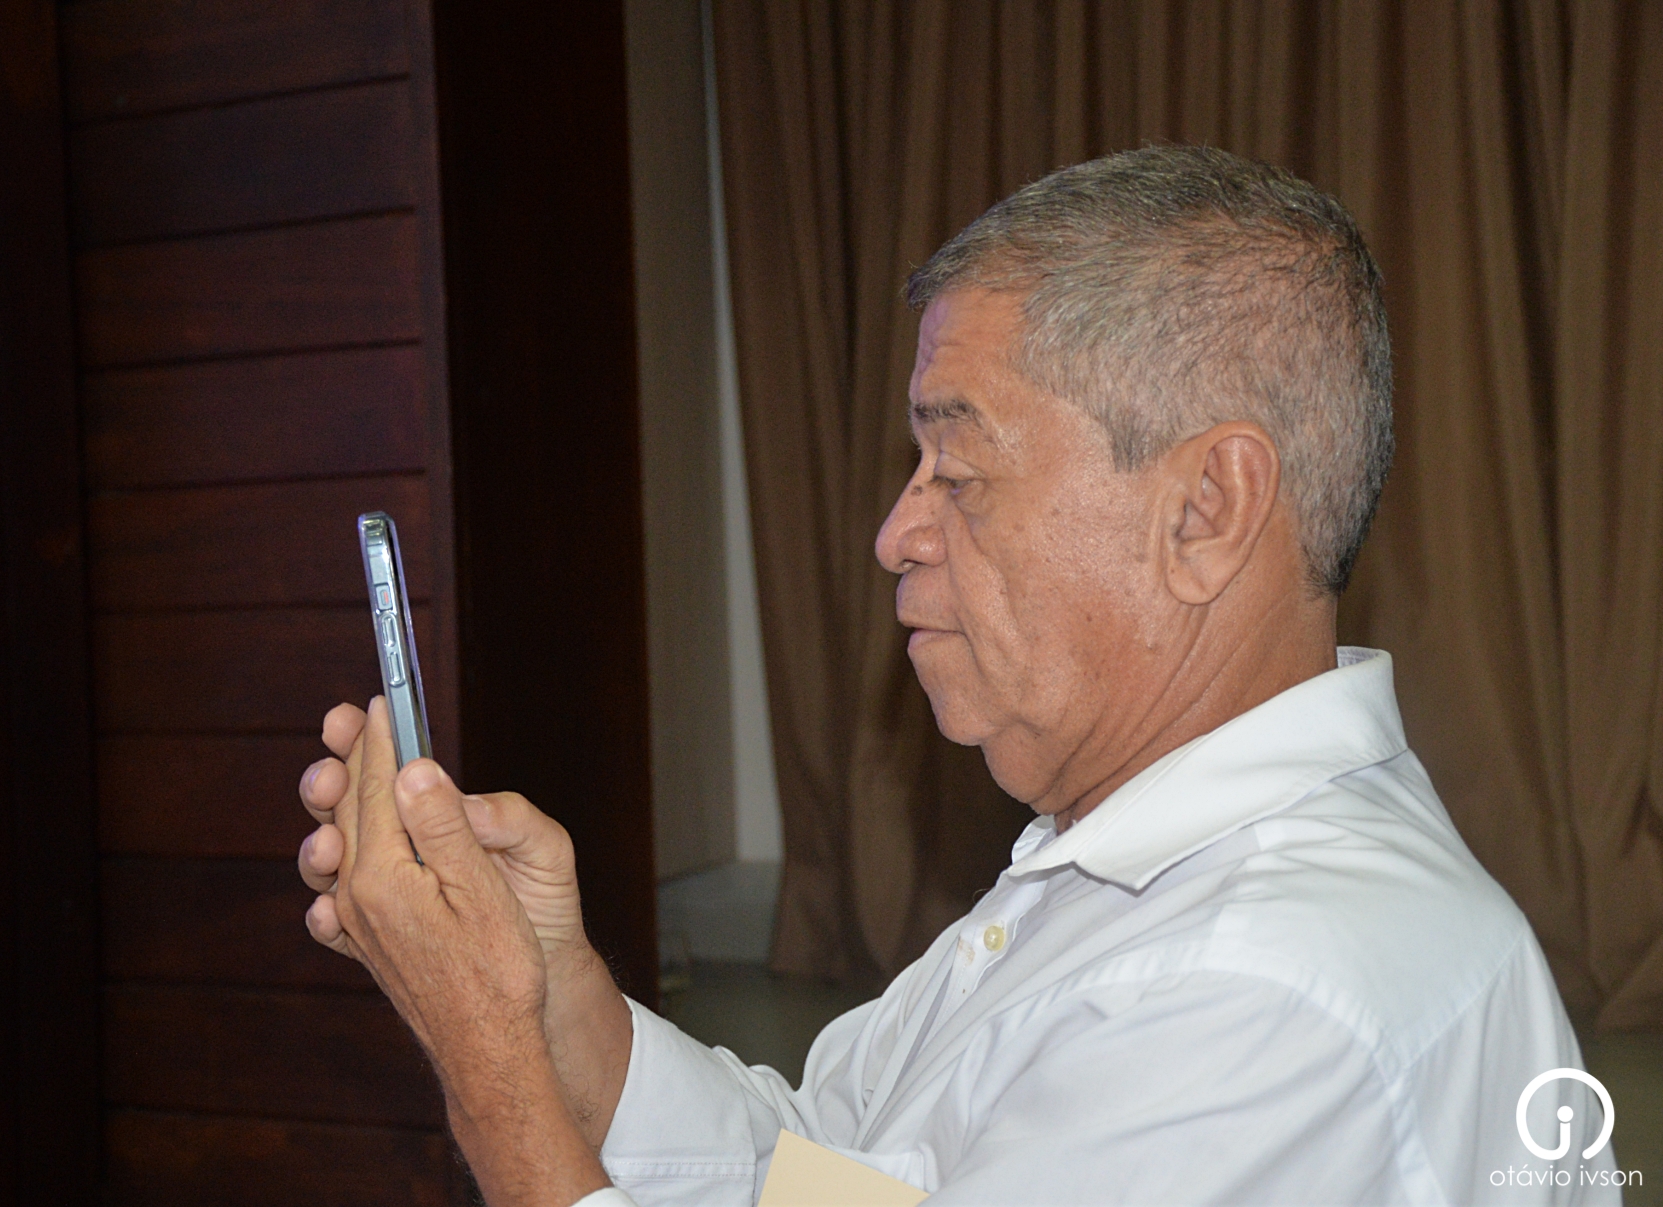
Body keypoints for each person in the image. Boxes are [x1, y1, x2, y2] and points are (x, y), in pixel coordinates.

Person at [294, 147, 1615, 1205]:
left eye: (961, 472)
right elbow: (828, 1182)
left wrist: (489, 1062)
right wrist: (549, 995)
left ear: (1207, 510)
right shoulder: (1122, 867)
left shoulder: (1264, 994)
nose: (896, 532)